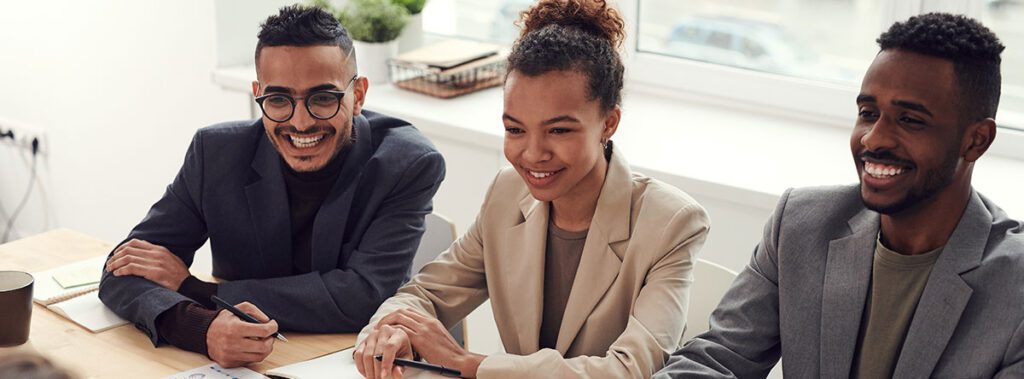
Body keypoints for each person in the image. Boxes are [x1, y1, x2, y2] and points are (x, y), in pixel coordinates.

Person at [655, 13, 1024, 378]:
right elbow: (718, 358)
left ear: (976, 140)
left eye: (910, 120)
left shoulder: (1016, 284)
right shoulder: (801, 224)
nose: (873, 138)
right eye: (868, 112)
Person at [352, 1, 710, 378]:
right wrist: (388, 332)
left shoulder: (671, 223)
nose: (533, 154)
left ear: (609, 123)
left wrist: (469, 364)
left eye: (558, 130)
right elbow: (423, 294)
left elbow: (630, 368)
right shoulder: (507, 194)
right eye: (515, 129)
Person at [98, 5, 444, 368]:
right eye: (279, 100)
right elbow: (121, 270)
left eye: (323, 98)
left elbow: (365, 295)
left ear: (357, 95)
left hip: (356, 363)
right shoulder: (215, 153)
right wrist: (200, 328)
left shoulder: (408, 163)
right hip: (247, 366)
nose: (301, 122)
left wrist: (198, 290)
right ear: (257, 94)